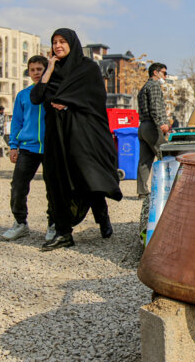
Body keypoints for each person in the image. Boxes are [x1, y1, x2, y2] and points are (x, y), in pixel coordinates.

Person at [30, 28, 122, 251]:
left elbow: (95, 99)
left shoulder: (87, 68)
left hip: (81, 133)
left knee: (85, 177)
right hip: (56, 135)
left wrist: (69, 102)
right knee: (56, 182)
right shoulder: (53, 69)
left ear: (72, 43)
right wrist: (49, 69)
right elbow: (36, 97)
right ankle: (63, 233)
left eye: (62, 41)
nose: (58, 46)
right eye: (54, 42)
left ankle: (101, 215)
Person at [2, 55, 55, 242]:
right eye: (32, 70)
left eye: (39, 69)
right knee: (18, 186)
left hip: (50, 147)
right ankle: (20, 223)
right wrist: (13, 146)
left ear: (47, 70)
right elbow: (17, 121)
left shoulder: (54, 92)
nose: (35, 73)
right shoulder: (23, 95)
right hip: (28, 147)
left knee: (53, 189)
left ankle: (53, 224)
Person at [136, 62, 170, 199]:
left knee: (144, 160)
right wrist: (162, 123)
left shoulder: (144, 87)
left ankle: (142, 191)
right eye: (164, 73)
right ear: (155, 72)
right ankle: (168, 188)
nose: (166, 76)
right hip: (152, 127)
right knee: (165, 156)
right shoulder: (155, 86)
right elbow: (155, 107)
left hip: (143, 126)